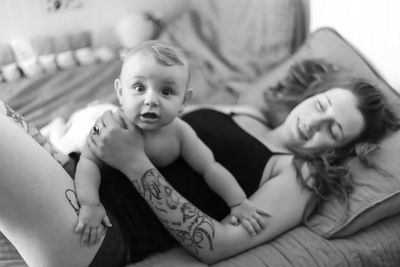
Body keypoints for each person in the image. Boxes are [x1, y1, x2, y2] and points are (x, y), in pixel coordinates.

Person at [0, 61, 398, 267]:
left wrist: (135, 163)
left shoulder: (298, 176)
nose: (313, 123)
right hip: (71, 172)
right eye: (322, 106)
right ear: (315, 93)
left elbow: (219, 245)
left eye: (333, 131)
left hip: (99, 230)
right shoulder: (245, 112)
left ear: (340, 150)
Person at [74, 40, 270, 247]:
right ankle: (69, 123)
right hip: (90, 121)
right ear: (121, 92)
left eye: (166, 91)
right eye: (139, 88)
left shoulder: (180, 133)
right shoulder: (111, 127)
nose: (151, 99)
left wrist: (238, 202)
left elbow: (210, 168)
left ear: (184, 102)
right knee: (77, 135)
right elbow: (88, 161)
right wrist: (90, 204)